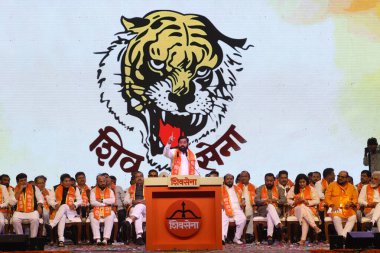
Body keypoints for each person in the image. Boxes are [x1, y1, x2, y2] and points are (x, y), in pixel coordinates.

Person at [48, 174, 82, 247]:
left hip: (71, 211)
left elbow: (80, 200)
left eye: (69, 181)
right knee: (62, 216)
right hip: (59, 211)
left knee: (64, 206)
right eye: (66, 181)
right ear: (61, 182)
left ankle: (52, 224)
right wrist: (55, 204)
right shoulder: (55, 188)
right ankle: (61, 240)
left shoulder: (75, 189)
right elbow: (50, 200)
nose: (68, 183)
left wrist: (75, 204)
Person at [287, 174, 321, 245]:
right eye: (300, 182)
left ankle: (302, 240)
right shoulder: (293, 188)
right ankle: (314, 226)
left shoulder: (312, 189)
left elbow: (317, 201)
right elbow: (288, 200)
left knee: (304, 216)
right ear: (297, 182)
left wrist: (307, 202)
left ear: (306, 182)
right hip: (296, 209)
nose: (302, 184)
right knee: (302, 206)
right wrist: (295, 202)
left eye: (303, 182)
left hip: (309, 209)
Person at [255, 173, 286, 245]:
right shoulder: (260, 188)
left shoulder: (280, 189)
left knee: (270, 213)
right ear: (264, 180)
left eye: (271, 181)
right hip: (263, 209)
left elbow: (284, 200)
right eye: (267, 181)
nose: (269, 182)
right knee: (269, 206)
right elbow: (256, 200)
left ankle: (269, 236)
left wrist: (276, 201)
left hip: (276, 209)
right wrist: (264, 201)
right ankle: (278, 224)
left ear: (274, 181)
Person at [325, 171, 358, 238]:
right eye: (338, 176)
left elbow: (355, 199)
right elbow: (327, 198)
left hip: (347, 209)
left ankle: (342, 237)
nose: (340, 178)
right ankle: (343, 237)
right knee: (336, 218)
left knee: (353, 217)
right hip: (335, 208)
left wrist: (351, 203)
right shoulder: (331, 185)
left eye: (342, 177)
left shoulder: (352, 187)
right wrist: (332, 205)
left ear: (347, 178)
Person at [12, 173, 44, 238]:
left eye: (25, 180)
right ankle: (20, 238)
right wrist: (20, 189)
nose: (24, 182)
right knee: (15, 220)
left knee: (35, 219)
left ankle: (33, 238)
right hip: (19, 212)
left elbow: (40, 198)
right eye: (21, 181)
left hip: (32, 211)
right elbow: (12, 202)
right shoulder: (14, 189)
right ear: (17, 182)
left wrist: (39, 205)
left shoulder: (34, 187)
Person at [89, 174, 116, 245]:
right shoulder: (93, 191)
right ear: (97, 182)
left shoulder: (110, 191)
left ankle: (105, 239)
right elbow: (92, 202)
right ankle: (97, 239)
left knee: (111, 214)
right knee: (92, 215)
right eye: (100, 181)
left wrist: (101, 200)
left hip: (107, 210)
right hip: (97, 210)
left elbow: (113, 200)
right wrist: (104, 204)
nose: (103, 183)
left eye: (104, 181)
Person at [222, 174, 246, 245]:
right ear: (224, 180)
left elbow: (243, 199)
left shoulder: (238, 188)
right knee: (223, 218)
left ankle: (236, 238)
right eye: (227, 179)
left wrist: (242, 203)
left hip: (237, 208)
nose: (229, 180)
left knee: (243, 219)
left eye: (231, 179)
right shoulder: (220, 188)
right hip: (225, 208)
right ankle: (222, 238)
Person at [124, 171, 146, 245]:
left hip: (147, 209)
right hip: (134, 208)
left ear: (143, 177)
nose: (139, 178)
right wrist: (133, 201)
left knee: (140, 206)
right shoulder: (130, 189)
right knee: (138, 214)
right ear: (134, 179)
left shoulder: (148, 187)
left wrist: (144, 201)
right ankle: (139, 236)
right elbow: (125, 201)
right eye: (137, 177)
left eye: (141, 176)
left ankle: (130, 220)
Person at [236, 171, 256, 239]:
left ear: (249, 178)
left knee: (253, 215)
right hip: (239, 208)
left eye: (245, 176)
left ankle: (248, 234)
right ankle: (242, 235)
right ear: (240, 178)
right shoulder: (236, 187)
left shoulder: (254, 187)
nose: (243, 178)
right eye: (242, 176)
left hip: (251, 208)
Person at [110, 175, 126, 242]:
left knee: (121, 214)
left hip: (120, 209)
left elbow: (123, 199)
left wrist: (125, 207)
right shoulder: (106, 189)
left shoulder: (118, 188)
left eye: (113, 182)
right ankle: (112, 236)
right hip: (109, 209)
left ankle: (117, 235)